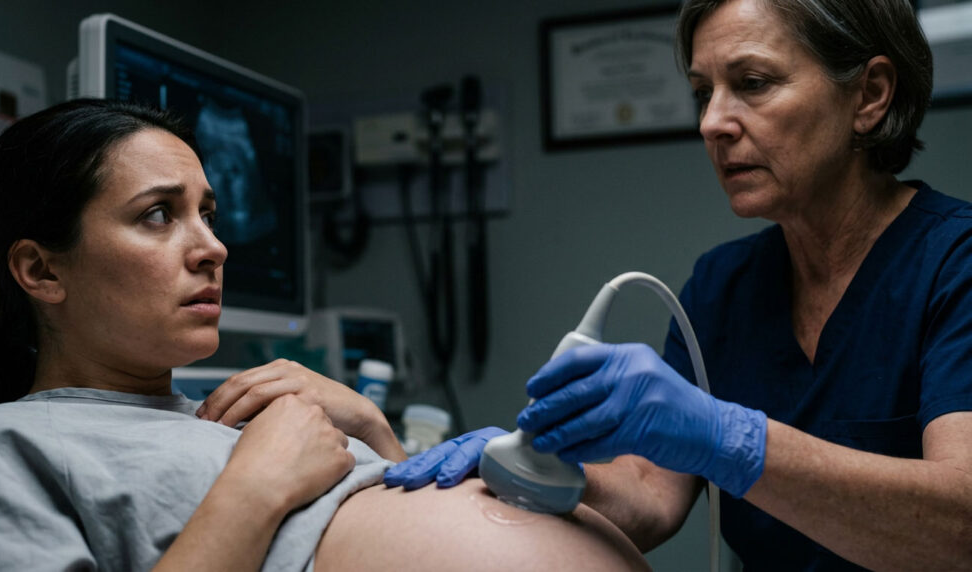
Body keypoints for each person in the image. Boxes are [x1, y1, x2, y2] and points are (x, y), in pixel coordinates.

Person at [385, 0, 972, 569]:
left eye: (753, 83)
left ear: (869, 95)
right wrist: (541, 471)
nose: (712, 122)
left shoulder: (954, 263)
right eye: (702, 92)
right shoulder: (723, 288)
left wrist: (729, 439)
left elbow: (962, 526)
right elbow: (650, 495)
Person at [0, 99, 650, 571]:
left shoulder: (231, 415)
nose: (214, 247)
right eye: (158, 215)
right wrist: (255, 488)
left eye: (207, 215)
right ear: (41, 270)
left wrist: (374, 430)